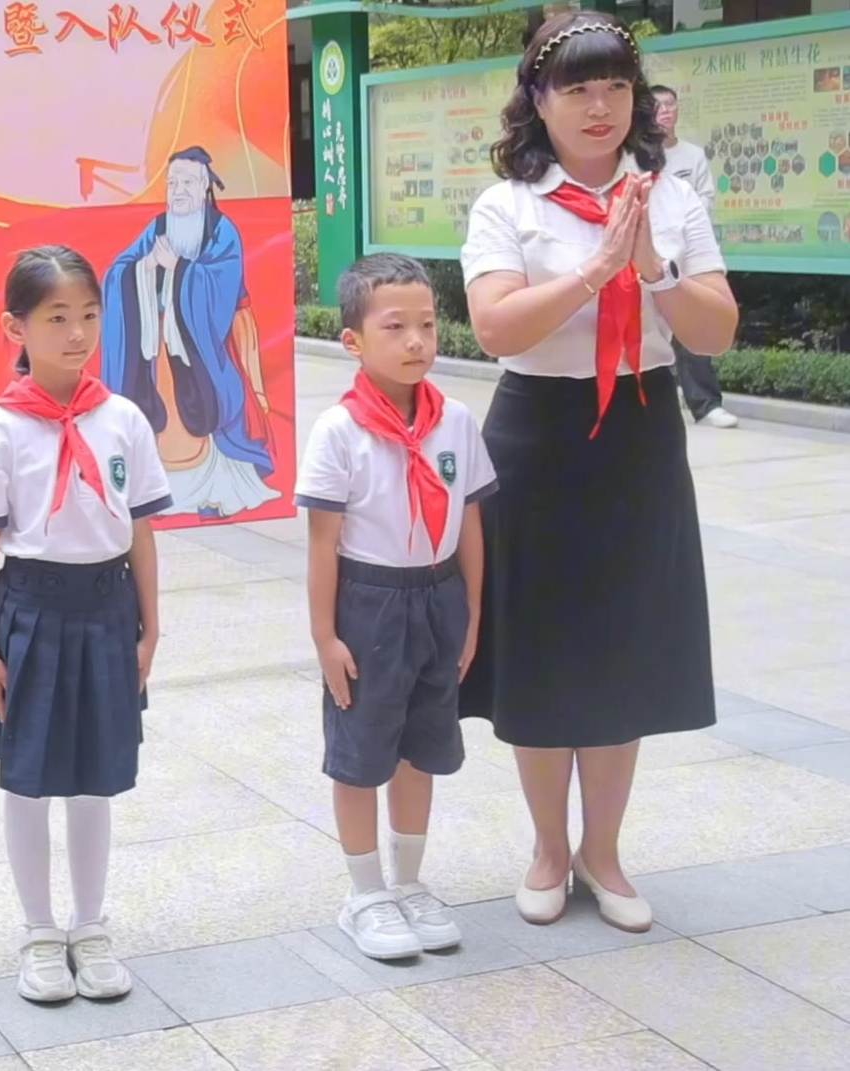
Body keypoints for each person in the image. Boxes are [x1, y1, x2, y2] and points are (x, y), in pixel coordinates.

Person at [459, 12, 737, 932]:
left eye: (615, 86)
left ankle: (603, 852)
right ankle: (548, 847)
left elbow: (715, 330)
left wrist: (651, 266)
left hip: (639, 432)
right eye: (576, 88)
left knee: (622, 641)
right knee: (540, 644)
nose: (598, 106)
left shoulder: (671, 197)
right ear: (538, 101)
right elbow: (495, 327)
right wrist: (595, 270)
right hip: (535, 436)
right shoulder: (508, 205)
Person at [0, 245, 169, 1004]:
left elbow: (140, 531)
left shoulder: (123, 418)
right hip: (29, 613)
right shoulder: (0, 429)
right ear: (16, 327)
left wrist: (151, 626)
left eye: (89, 316)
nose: (76, 334)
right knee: (30, 778)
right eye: (57, 318)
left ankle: (90, 926)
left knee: (96, 776)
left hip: (108, 609)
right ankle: (40, 932)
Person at [295, 254, 494, 961]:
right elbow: (323, 542)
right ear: (353, 340)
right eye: (395, 327)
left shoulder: (456, 422)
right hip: (369, 602)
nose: (416, 341)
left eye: (427, 325)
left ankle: (409, 882)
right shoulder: (339, 431)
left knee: (422, 746)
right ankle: (365, 893)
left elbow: (470, 524)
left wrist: (471, 613)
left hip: (438, 596)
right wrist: (326, 636)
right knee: (361, 751)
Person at [100, 146, 279, 519]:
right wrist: (145, 267)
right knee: (157, 409)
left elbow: (222, 287)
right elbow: (118, 271)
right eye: (172, 183)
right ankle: (157, 487)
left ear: (204, 187)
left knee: (211, 403)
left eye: (187, 183)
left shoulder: (221, 231)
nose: (178, 190)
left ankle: (215, 486)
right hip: (158, 347)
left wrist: (180, 268)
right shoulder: (158, 227)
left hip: (205, 348)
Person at [653, 84, 738, 429]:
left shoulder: (692, 155)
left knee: (694, 327)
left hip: (686, 256)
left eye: (670, 104)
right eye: (658, 106)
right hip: (644, 257)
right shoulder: (634, 157)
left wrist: (679, 220)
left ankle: (705, 403)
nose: (665, 111)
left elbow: (705, 200)